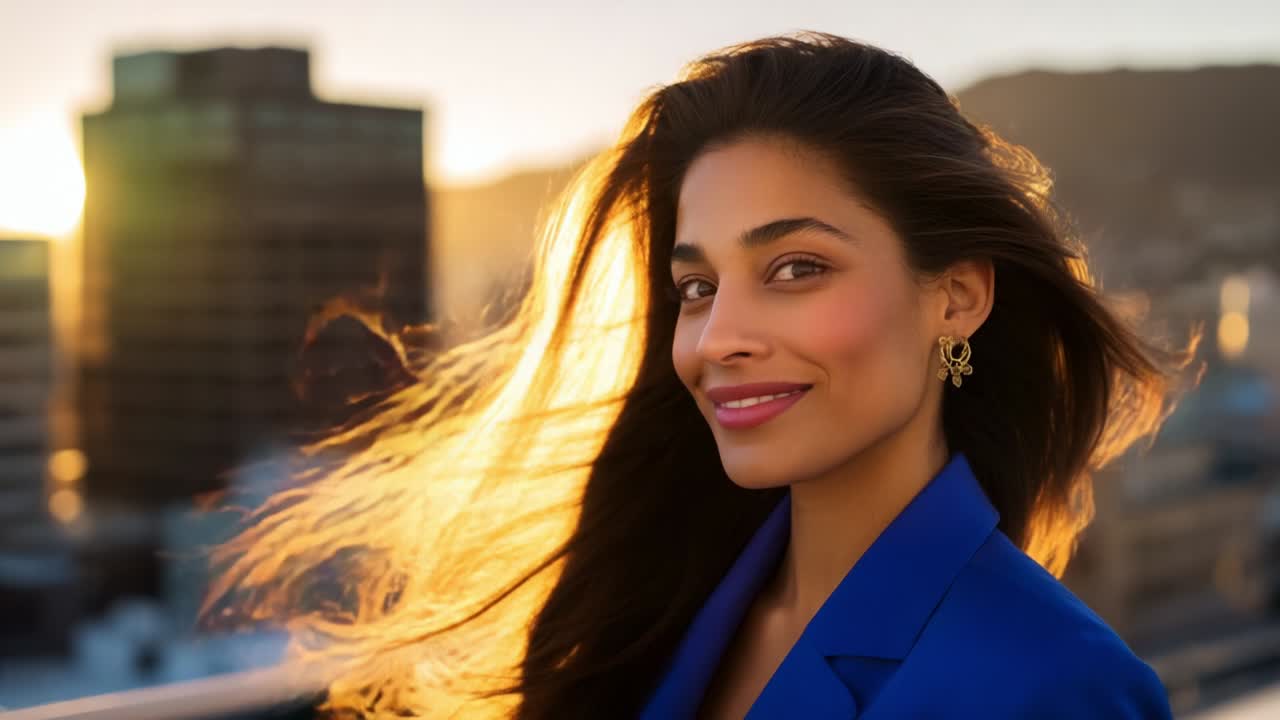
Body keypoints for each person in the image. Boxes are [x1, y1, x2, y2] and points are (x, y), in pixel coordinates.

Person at [205, 30, 1200, 719]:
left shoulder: (1052, 688)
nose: (717, 336)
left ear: (956, 296)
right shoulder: (676, 601)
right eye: (694, 286)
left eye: (794, 269)